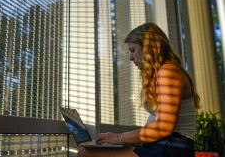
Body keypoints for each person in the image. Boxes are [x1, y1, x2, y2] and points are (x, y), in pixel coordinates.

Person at [77, 23, 200, 157]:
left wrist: (118, 137)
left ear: (148, 48)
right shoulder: (164, 72)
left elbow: (164, 127)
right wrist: (121, 138)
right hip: (162, 145)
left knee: (86, 153)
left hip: (171, 148)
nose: (130, 57)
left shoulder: (169, 72)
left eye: (133, 50)